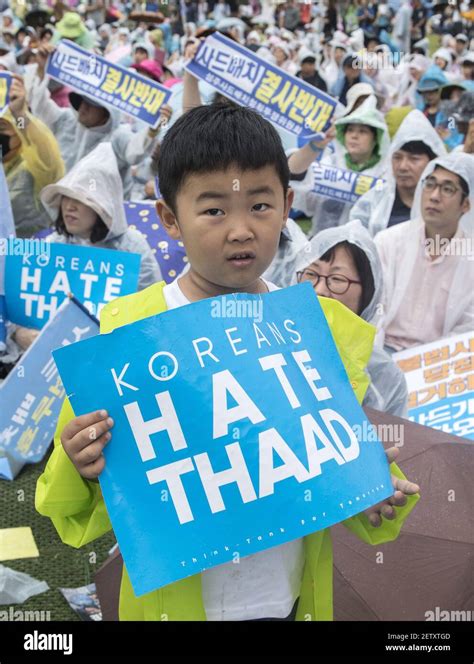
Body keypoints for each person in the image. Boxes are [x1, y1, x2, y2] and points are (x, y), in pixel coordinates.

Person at [36, 103, 419, 623]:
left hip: (286, 597)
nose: (240, 229)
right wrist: (80, 464)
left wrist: (371, 489)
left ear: (287, 205)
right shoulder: (128, 334)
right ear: (170, 218)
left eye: (259, 205)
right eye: (214, 210)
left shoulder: (310, 328)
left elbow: (328, 447)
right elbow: (80, 494)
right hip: (177, 603)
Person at [293, 220, 409, 416]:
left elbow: (393, 441)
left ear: (367, 294)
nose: (319, 290)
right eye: (311, 274)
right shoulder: (270, 345)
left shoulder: (383, 376)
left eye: (337, 280)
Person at [27, 44, 159, 198]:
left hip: (105, 216)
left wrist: (154, 128)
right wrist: (42, 71)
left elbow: (135, 152)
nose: (83, 108)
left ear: (106, 112)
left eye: (91, 104)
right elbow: (40, 105)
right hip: (63, 209)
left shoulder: (117, 137)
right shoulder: (66, 120)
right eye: (80, 101)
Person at [375, 153, 474, 352]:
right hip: (381, 350)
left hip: (439, 361)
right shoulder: (388, 242)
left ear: (465, 205)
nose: (434, 196)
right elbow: (374, 310)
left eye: (447, 189)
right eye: (430, 184)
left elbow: (468, 327)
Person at [288, 95, 390, 234]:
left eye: (363, 131)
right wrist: (314, 146)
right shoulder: (332, 163)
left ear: (376, 139)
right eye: (350, 130)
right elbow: (297, 179)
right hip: (322, 246)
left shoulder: (384, 172)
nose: (354, 136)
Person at [349, 109, 446, 236]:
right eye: (397, 158)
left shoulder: (444, 203)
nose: (403, 167)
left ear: (432, 162)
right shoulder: (376, 198)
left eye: (414, 159)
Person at [0, 73, 64, 237]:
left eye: (3, 129)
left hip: (25, 256)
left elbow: (45, 153)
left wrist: (18, 114)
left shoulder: (34, 169)